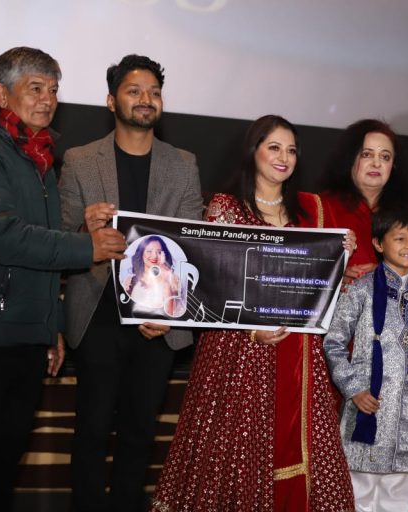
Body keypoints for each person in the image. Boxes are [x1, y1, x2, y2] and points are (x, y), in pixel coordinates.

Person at [0, 47, 127, 512]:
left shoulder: (35, 156)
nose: (47, 100)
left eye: (54, 90)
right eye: (35, 88)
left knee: (2, 463)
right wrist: (88, 247)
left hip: (22, 332)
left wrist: (50, 325)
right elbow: (4, 238)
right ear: (1, 94)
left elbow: (42, 254)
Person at [151, 115, 356, 512]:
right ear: (254, 151)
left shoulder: (309, 210)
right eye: (274, 147)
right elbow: (213, 284)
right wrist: (251, 332)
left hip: (299, 352)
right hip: (237, 354)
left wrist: (340, 253)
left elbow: (318, 283)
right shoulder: (227, 207)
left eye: (291, 150)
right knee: (233, 456)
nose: (284, 157)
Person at [59, 54, 204, 512]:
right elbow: (57, 240)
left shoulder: (183, 164)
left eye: (154, 92)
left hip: (156, 322)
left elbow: (191, 246)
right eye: (134, 90)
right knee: (92, 429)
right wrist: (84, 229)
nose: (146, 99)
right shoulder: (80, 160)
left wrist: (171, 313)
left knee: (141, 433)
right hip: (97, 314)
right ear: (111, 101)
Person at [324, 206, 408, 512]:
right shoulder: (360, 290)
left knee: (403, 496)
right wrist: (354, 389)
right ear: (379, 243)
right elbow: (334, 343)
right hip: (368, 409)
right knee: (359, 495)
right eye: (400, 238)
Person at [319, 119, 408, 289]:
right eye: (367, 154)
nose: (376, 163)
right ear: (349, 158)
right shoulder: (320, 207)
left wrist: (388, 274)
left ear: (393, 166)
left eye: (385, 157)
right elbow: (300, 269)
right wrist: (336, 278)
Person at [124, 235, 180, 315]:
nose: (154, 256)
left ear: (164, 255)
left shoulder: (173, 280)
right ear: (141, 253)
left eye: (159, 252)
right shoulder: (130, 281)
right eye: (149, 251)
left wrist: (166, 279)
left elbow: (170, 313)